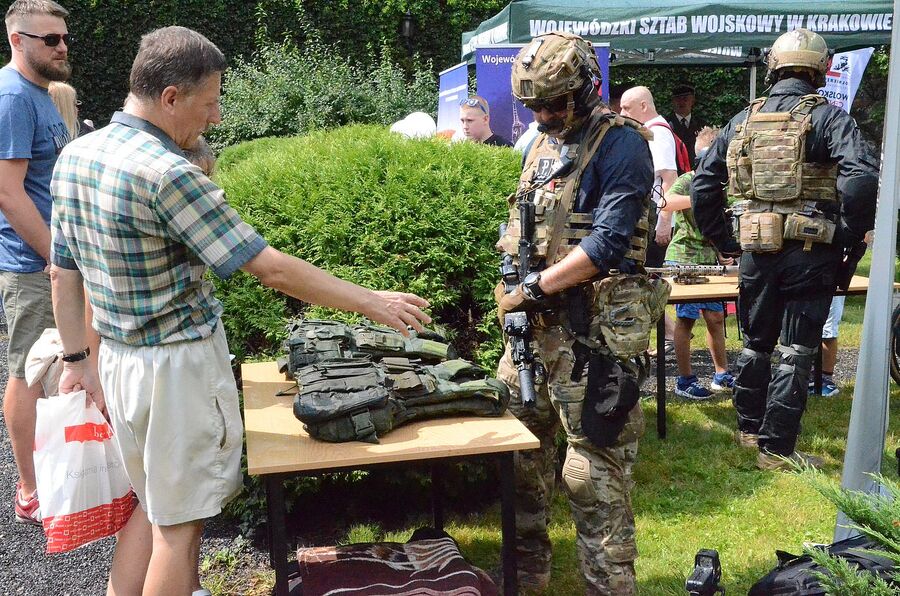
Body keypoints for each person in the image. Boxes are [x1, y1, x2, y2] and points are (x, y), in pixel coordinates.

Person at [49, 26, 431, 596]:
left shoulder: (76, 155)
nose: (217, 118)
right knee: (180, 531)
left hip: (119, 363)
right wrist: (372, 303)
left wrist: (78, 357)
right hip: (175, 370)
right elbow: (268, 267)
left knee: (153, 510)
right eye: (209, 104)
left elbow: (63, 270)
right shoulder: (168, 173)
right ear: (171, 97)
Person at [497, 31, 654, 593]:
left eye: (552, 103)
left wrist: (534, 288)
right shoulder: (540, 144)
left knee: (591, 475)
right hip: (529, 334)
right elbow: (523, 227)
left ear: (586, 89)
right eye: (532, 105)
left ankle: (609, 585)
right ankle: (528, 567)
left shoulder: (623, 146)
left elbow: (608, 242)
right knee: (518, 455)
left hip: (593, 339)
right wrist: (512, 284)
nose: (541, 115)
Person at [691, 28, 878, 470]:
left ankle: (749, 429)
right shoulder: (830, 119)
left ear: (773, 66)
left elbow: (703, 184)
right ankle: (776, 450)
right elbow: (862, 177)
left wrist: (726, 239)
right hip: (811, 250)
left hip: (757, 248)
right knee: (795, 349)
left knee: (756, 343)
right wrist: (849, 234)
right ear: (821, 69)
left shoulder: (741, 120)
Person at [0, 0, 72, 527]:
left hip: (50, 262)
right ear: (17, 40)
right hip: (32, 266)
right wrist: (54, 256)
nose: (62, 47)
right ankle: (29, 490)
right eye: (50, 39)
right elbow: (6, 191)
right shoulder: (11, 98)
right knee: (28, 371)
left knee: (61, 366)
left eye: (64, 38)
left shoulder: (40, 95)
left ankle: (60, 470)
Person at [661, 126, 734, 400]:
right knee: (686, 320)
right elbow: (666, 202)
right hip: (683, 259)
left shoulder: (722, 184)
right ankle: (685, 379)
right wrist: (699, 197)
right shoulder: (689, 180)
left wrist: (723, 248)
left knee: (715, 318)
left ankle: (721, 374)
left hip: (708, 259)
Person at [619, 85, 676, 352]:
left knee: (647, 279)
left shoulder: (658, 133)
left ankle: (669, 337)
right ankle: (670, 336)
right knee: (645, 278)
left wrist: (665, 221)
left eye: (626, 108)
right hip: (650, 218)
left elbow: (669, 179)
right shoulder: (652, 130)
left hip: (655, 220)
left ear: (643, 106)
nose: (621, 113)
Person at [666, 84, 705, 165]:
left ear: (692, 100)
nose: (681, 102)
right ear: (673, 101)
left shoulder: (702, 125)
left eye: (685, 99)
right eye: (677, 99)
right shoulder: (666, 125)